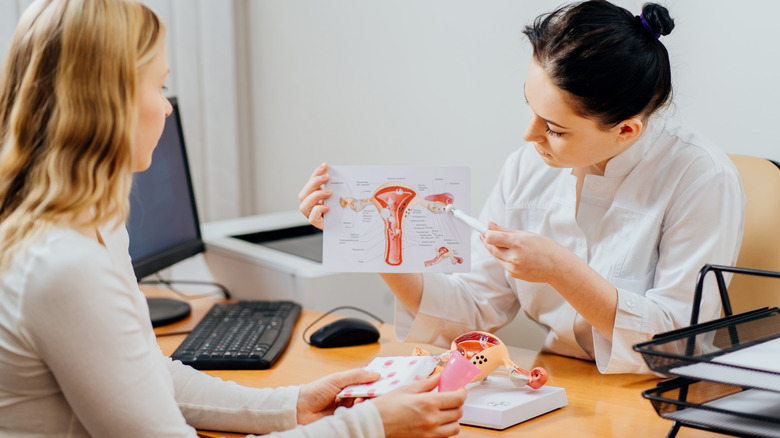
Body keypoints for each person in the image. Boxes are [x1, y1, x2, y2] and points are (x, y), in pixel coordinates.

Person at [0, 0, 466, 437]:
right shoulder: (64, 265)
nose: (166, 106)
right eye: (158, 86)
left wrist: (291, 405)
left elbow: (145, 374)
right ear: (110, 100)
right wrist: (370, 425)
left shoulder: (93, 225)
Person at [299, 1, 745, 375]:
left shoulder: (701, 179)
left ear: (626, 130)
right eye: (529, 106)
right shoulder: (528, 166)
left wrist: (561, 271)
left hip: (655, 396)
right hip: (557, 381)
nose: (529, 135)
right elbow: (473, 306)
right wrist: (375, 241)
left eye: (554, 128)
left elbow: (673, 342)